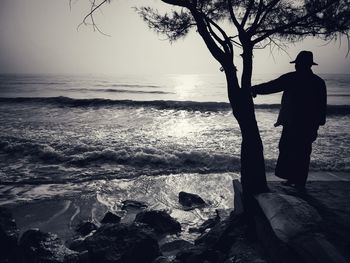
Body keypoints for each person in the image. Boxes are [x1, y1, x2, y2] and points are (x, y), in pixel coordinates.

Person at [251, 51, 327, 191]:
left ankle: (295, 180)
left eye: (297, 63)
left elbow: (272, 86)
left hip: (293, 123)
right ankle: (297, 180)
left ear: (300, 64)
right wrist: (319, 123)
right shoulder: (318, 82)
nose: (296, 66)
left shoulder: (292, 78)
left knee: (289, 149)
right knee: (302, 152)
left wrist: (254, 89)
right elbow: (322, 106)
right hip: (309, 124)